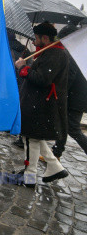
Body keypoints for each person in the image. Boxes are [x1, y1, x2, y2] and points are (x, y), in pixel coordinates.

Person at [14, 21, 69, 187]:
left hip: (40, 106)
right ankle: (54, 167)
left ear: (45, 38)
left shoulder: (55, 54)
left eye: (36, 38)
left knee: (31, 139)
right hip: (38, 104)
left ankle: (30, 177)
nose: (33, 41)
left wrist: (24, 68)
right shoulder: (49, 52)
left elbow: (43, 79)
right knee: (35, 138)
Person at [52, 25, 87, 157]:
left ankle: (57, 152)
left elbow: (69, 77)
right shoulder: (77, 51)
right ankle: (56, 153)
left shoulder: (71, 53)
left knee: (73, 128)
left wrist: (60, 93)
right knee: (63, 125)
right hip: (77, 97)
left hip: (75, 99)